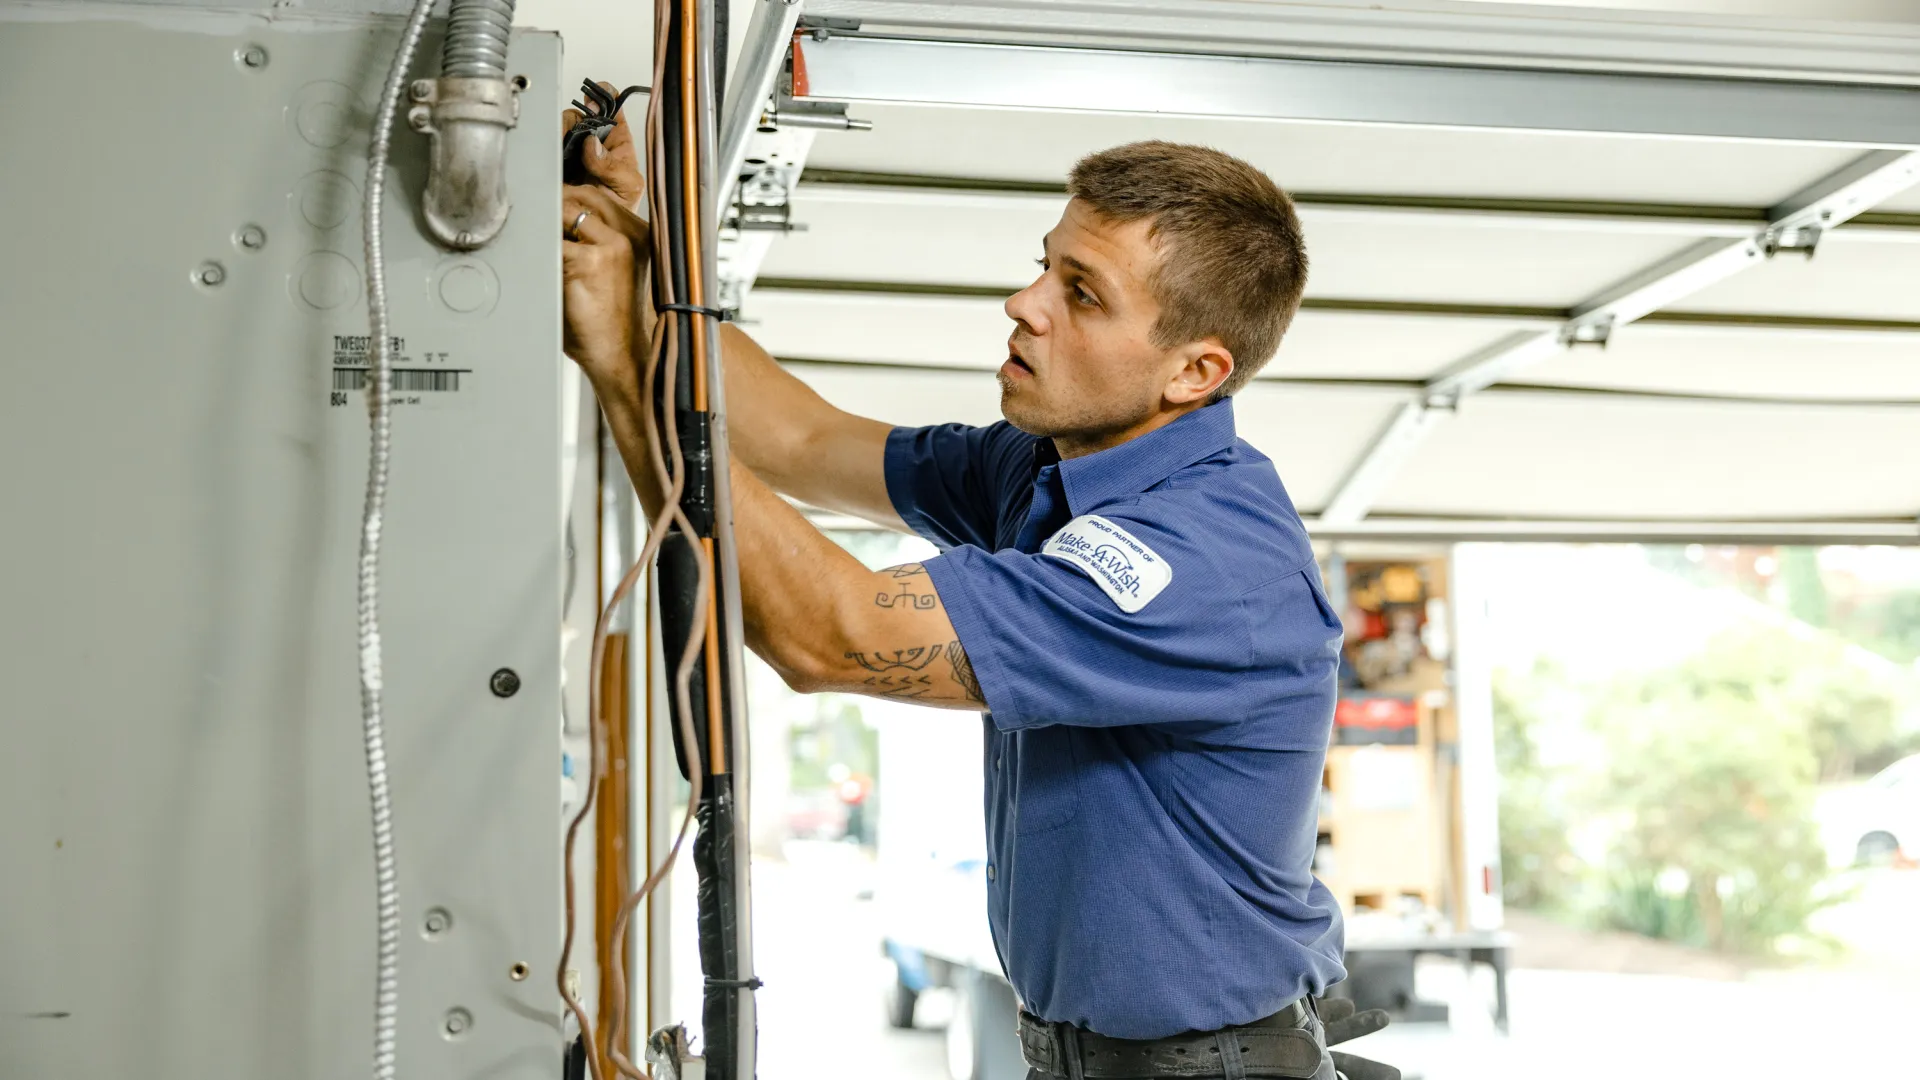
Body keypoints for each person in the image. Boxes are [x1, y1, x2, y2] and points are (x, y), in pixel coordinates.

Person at [559, 96, 1397, 1080]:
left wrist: (621, 361)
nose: (1025, 302)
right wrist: (645, 258)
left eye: (1081, 293)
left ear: (1193, 371)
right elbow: (804, 440)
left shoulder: (1201, 566)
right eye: (1046, 263)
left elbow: (830, 635)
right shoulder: (1042, 468)